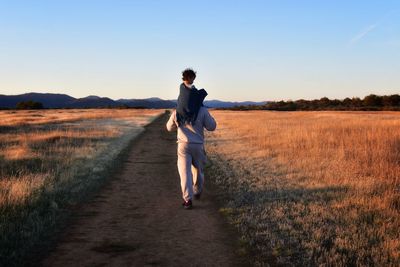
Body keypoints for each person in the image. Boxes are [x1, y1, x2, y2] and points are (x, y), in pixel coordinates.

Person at [166, 68, 217, 209]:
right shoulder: (202, 110)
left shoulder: (177, 111)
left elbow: (169, 128)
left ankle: (187, 200)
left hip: (183, 145)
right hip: (198, 145)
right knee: (198, 170)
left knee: (184, 173)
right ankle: (198, 191)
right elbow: (212, 127)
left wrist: (178, 124)